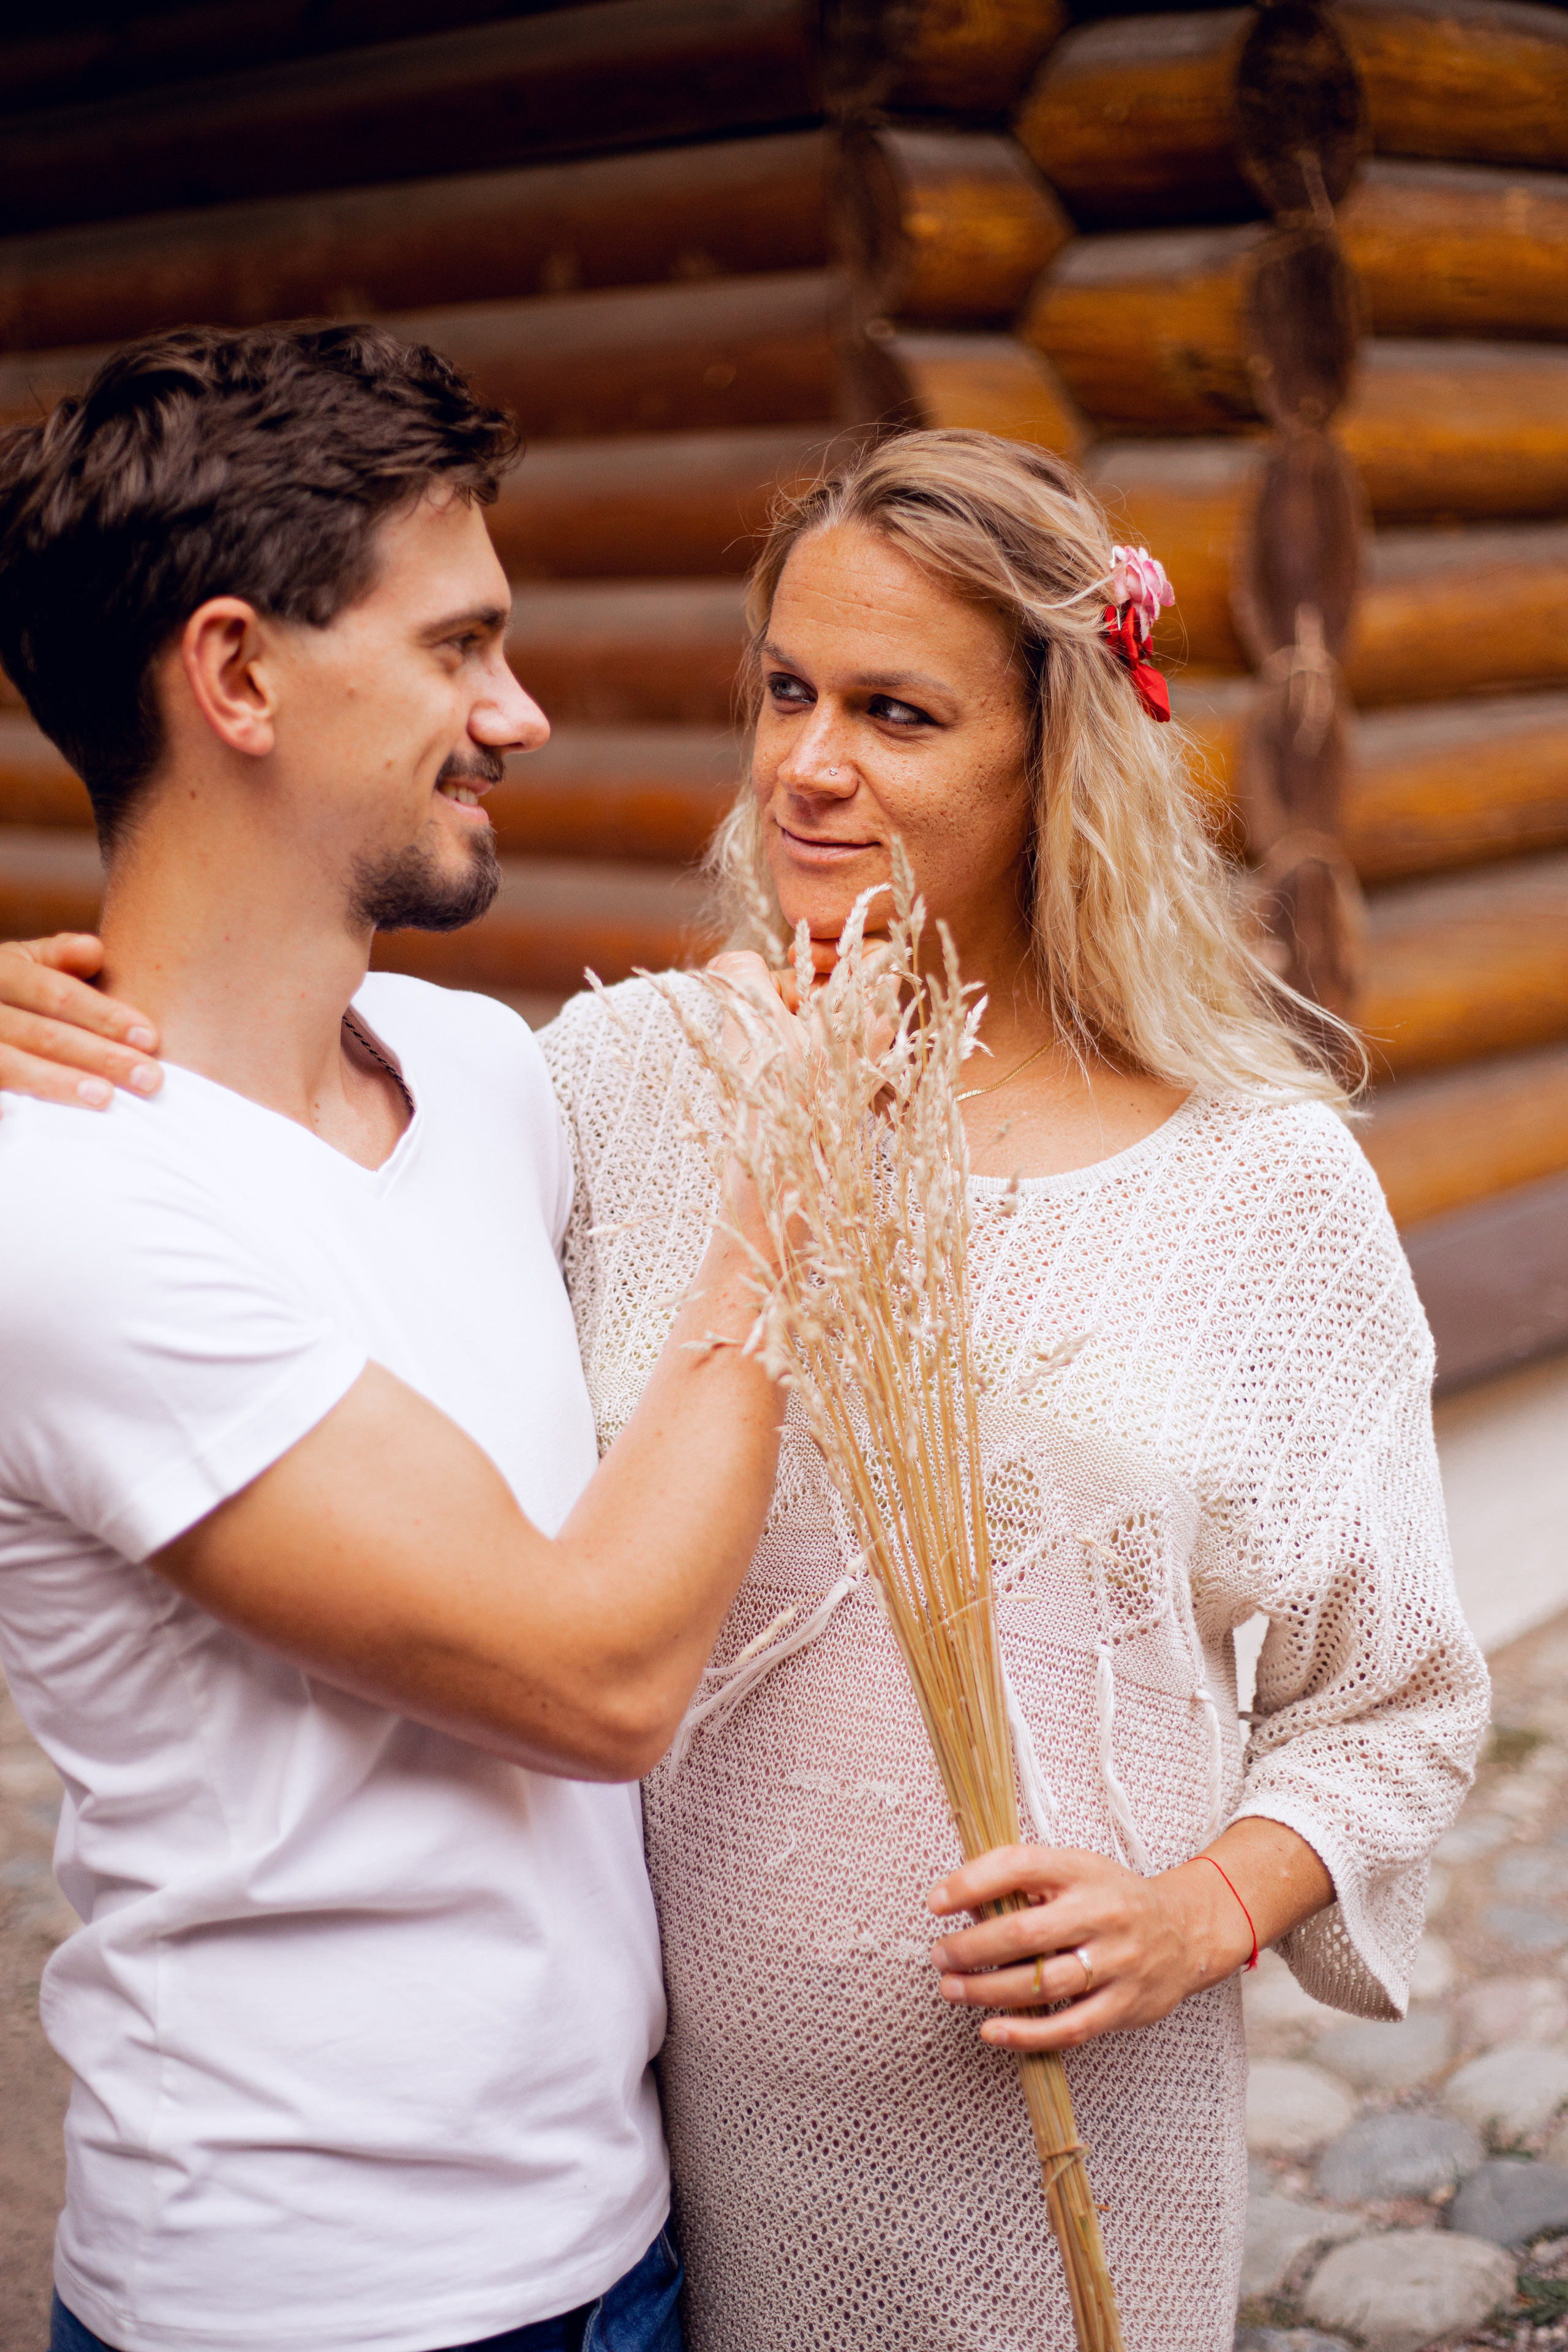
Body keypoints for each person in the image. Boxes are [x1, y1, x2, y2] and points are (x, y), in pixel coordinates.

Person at [5, 431, 1491, 2351]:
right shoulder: (617, 1090)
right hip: (681, 2193)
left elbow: (1394, 1702)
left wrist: (1199, 1912)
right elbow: (258, 1076)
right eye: (786, 691)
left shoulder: (1255, 1189)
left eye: (897, 712)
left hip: (1069, 2152)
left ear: (1058, 757)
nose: (808, 763)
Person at [0, 323, 792, 2352]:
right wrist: (803, 1204)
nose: (518, 714)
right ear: (240, 675)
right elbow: (598, 1675)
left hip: (619, 2241)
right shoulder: (68, 1210)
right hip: (311, 2300)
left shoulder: (481, 1072)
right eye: (458, 648)